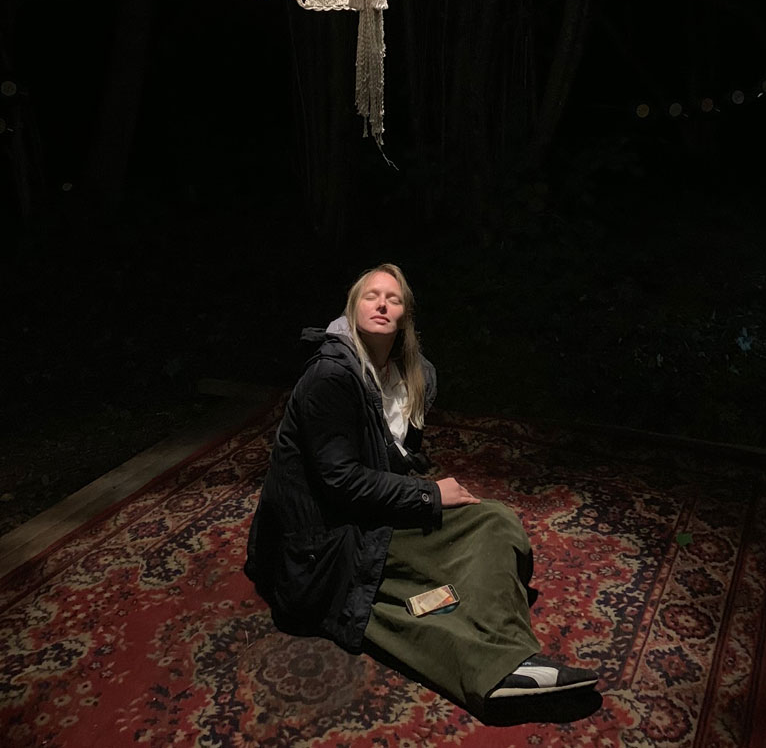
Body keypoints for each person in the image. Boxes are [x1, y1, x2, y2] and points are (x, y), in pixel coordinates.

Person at [245, 263, 599, 711]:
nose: (381, 304)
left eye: (392, 299)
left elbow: (392, 462)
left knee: (495, 521)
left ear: (404, 317)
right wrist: (429, 495)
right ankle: (500, 667)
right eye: (371, 296)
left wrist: (423, 495)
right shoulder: (331, 378)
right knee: (410, 591)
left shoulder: (411, 376)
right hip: (325, 543)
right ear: (352, 309)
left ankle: (491, 626)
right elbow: (339, 481)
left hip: (369, 513)